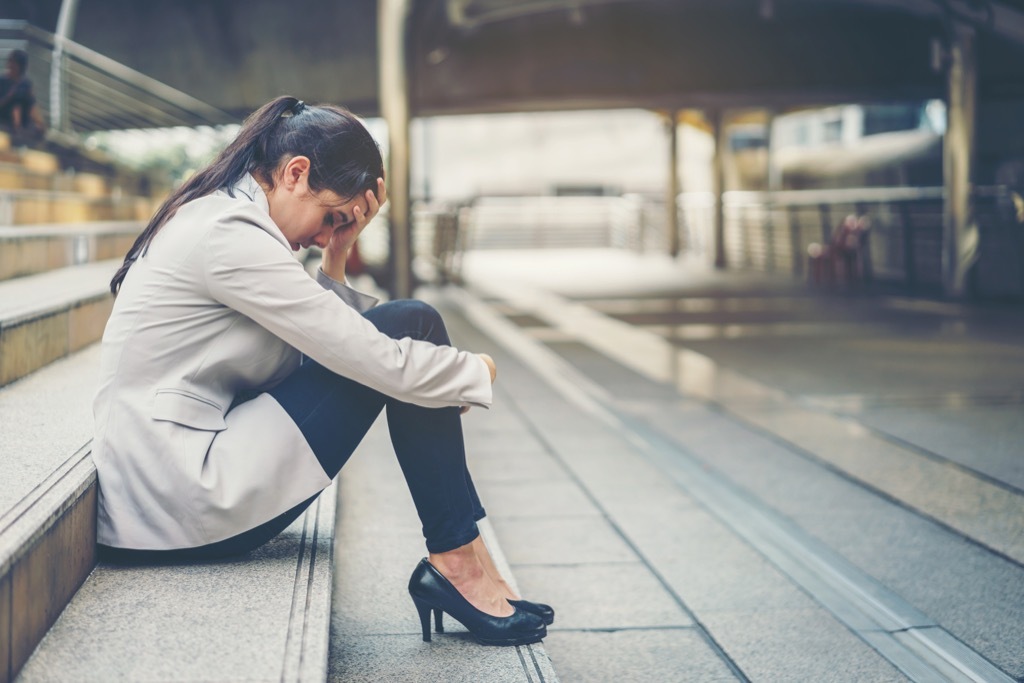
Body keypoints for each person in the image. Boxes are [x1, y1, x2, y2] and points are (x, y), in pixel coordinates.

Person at [96, 96, 552, 646]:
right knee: (413, 326)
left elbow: (319, 345)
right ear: (295, 173)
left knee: (410, 330)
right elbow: (361, 354)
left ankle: (465, 558)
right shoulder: (228, 234)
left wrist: (336, 257)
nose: (321, 234)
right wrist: (475, 371)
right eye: (331, 216)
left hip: (172, 482)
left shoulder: (226, 217)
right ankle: (460, 562)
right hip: (181, 495)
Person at [0, 49, 44, 144]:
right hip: (4, 122)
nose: (10, 66)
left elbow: (32, 105)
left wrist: (39, 124)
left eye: (14, 64)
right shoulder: (2, 81)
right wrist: (10, 96)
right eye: (10, 63)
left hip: (20, 126)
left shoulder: (25, 84)